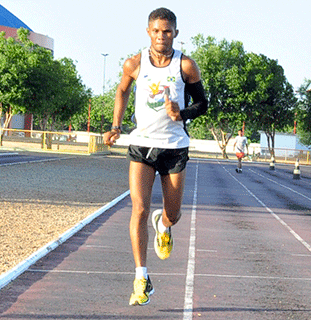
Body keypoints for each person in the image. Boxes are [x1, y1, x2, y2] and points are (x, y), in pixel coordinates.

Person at [103, 7, 208, 306]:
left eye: (167, 31)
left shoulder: (186, 66)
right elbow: (122, 91)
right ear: (148, 32)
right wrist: (116, 126)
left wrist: (181, 113)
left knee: (173, 214)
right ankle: (141, 277)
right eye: (156, 31)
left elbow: (202, 104)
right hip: (142, 145)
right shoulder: (134, 64)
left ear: (176, 33)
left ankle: (162, 225)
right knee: (138, 208)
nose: (162, 36)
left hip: (174, 147)